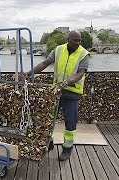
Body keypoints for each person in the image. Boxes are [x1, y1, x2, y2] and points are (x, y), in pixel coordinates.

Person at [25, 30, 90, 161]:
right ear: (68, 39)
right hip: (56, 92)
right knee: (47, 119)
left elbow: (80, 73)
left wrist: (66, 83)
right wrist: (28, 74)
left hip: (72, 94)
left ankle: (67, 149)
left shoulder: (83, 54)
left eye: (79, 40)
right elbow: (44, 64)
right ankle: (48, 143)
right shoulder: (58, 50)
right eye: (75, 40)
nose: (78, 43)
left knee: (70, 124)